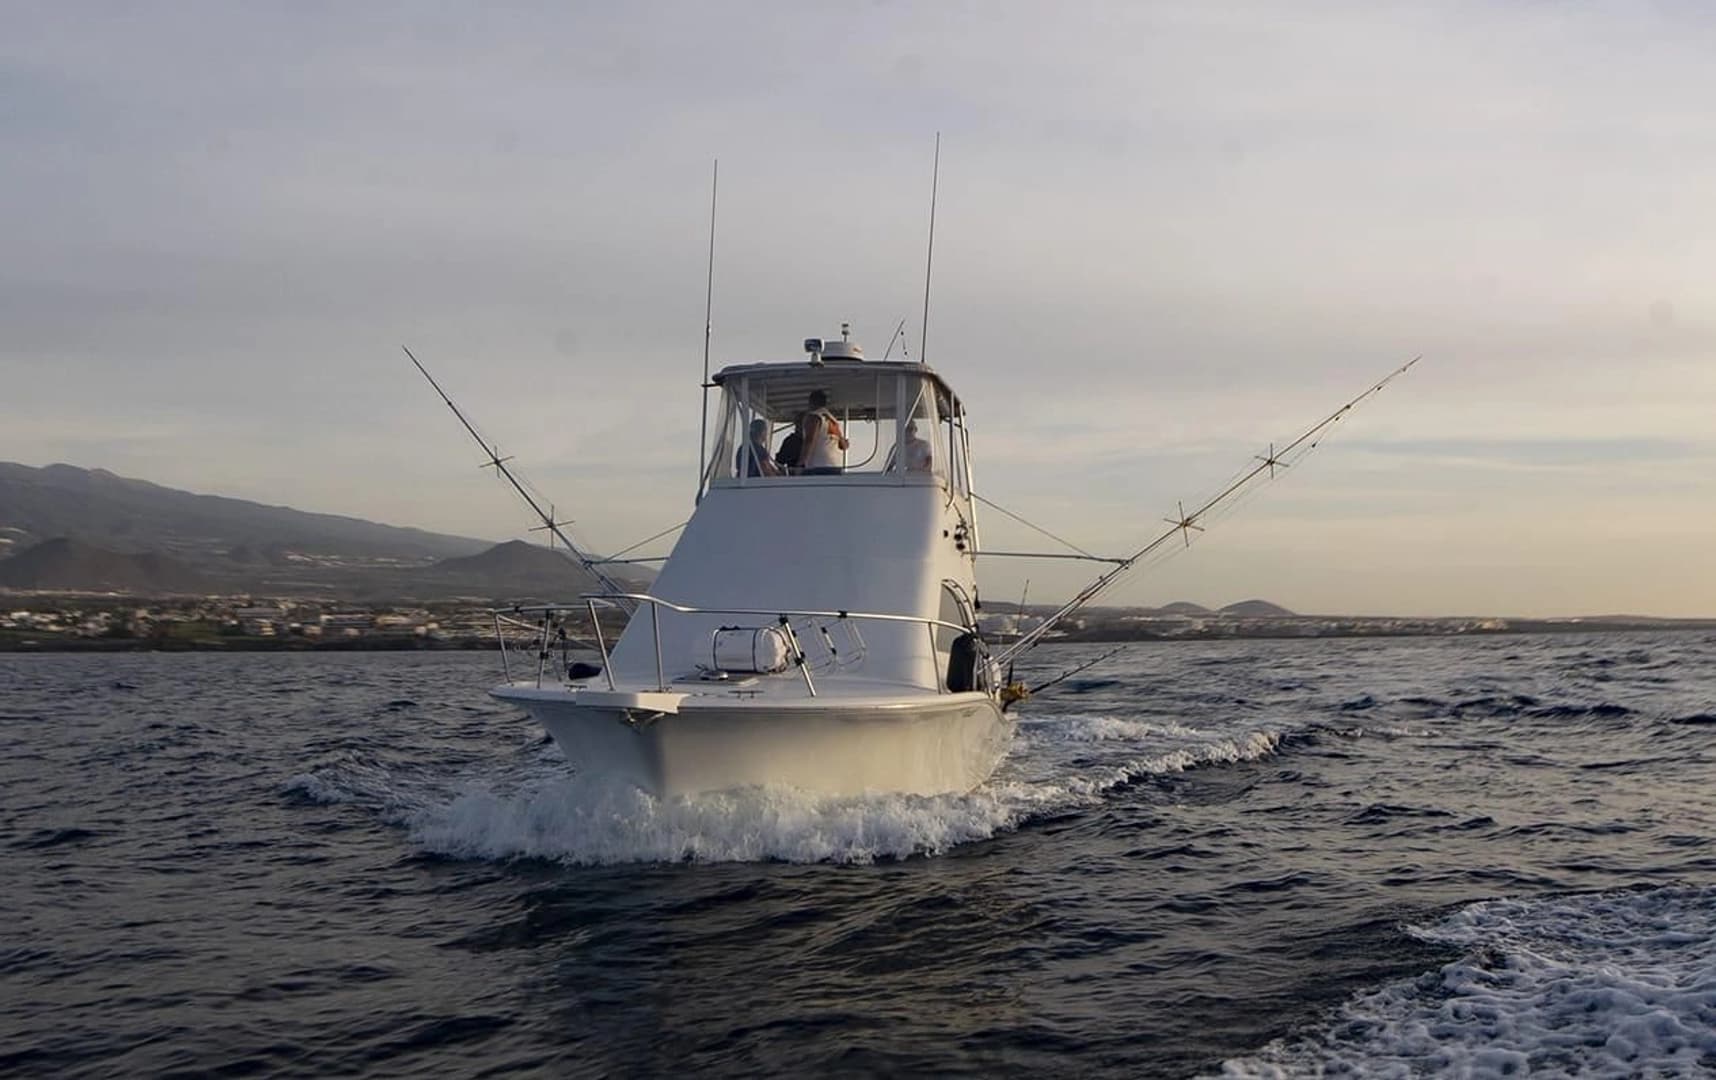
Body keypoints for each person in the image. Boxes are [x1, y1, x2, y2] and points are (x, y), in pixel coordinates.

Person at [798, 389, 848, 475]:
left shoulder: (815, 417)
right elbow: (843, 445)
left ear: (811, 402)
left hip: (818, 466)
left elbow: (810, 440)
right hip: (835, 466)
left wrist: (801, 463)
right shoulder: (833, 421)